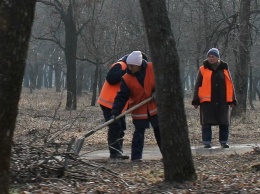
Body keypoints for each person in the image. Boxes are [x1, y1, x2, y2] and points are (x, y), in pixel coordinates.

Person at [111, 51, 161, 162]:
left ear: (139, 65)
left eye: (132, 66)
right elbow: (121, 97)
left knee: (159, 131)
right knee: (139, 133)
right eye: (128, 65)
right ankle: (136, 158)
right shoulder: (126, 78)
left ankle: (167, 154)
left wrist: (157, 91)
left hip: (154, 107)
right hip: (139, 109)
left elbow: (162, 81)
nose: (130, 68)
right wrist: (115, 111)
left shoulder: (152, 68)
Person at [192, 48, 237, 148]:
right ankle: (207, 142)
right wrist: (195, 100)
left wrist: (232, 99)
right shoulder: (203, 69)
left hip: (223, 101)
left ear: (218, 57)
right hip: (207, 102)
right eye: (209, 56)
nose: (211, 58)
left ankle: (224, 142)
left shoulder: (224, 69)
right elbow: (197, 85)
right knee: (206, 123)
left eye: (213, 56)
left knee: (224, 123)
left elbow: (230, 84)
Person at [97, 55, 129, 159]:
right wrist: (126, 72)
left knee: (121, 127)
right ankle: (114, 153)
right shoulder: (120, 65)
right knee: (115, 127)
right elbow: (111, 78)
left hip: (119, 105)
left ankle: (118, 151)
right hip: (108, 102)